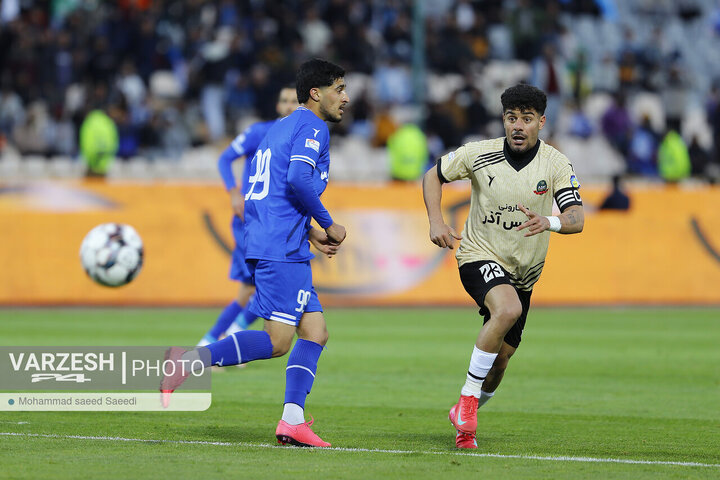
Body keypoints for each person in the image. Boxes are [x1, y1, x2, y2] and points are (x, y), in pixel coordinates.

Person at [161, 58, 349, 448]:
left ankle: (292, 420)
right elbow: (298, 179)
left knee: (316, 331)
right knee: (279, 341)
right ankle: (189, 362)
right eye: (339, 89)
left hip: (278, 243)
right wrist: (329, 224)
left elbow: (269, 194)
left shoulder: (278, 129)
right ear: (317, 93)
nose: (345, 98)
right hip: (281, 250)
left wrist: (310, 233)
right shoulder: (312, 127)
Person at [422, 83, 584, 449]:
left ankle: (464, 417)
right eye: (512, 118)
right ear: (503, 120)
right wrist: (435, 221)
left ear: (541, 122)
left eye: (527, 119)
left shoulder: (556, 164)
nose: (518, 126)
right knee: (506, 308)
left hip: (524, 274)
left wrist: (550, 222)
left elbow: (576, 217)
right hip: (479, 254)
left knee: (499, 366)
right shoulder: (480, 154)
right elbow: (434, 174)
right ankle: (466, 401)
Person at [197, 86, 298, 347]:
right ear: (277, 106)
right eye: (284, 100)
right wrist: (233, 192)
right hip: (251, 221)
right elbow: (225, 159)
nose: (288, 106)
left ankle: (213, 341)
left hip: (279, 223)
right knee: (263, 288)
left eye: (294, 102)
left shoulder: (301, 140)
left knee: (249, 291)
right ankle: (225, 340)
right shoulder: (259, 132)